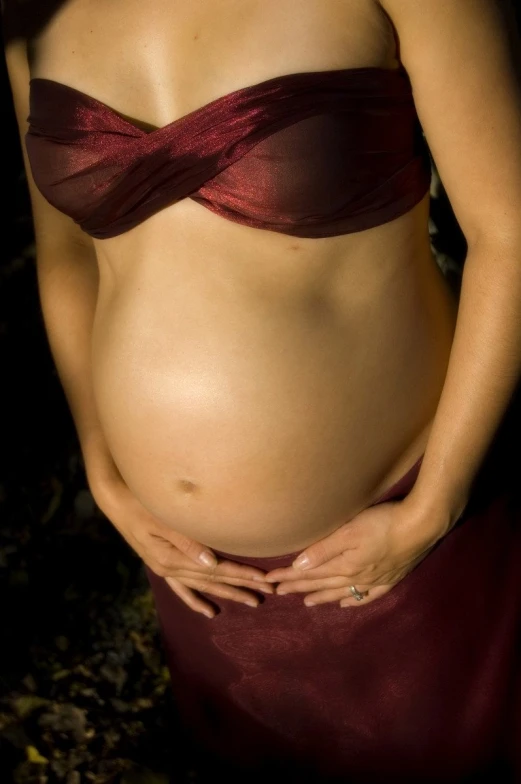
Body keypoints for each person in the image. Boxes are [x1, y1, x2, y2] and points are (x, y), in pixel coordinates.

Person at [3, 0, 521, 780]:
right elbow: (67, 262)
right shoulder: (30, 12)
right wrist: (105, 465)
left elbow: (510, 235)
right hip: (200, 581)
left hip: (398, 549)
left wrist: (434, 505)